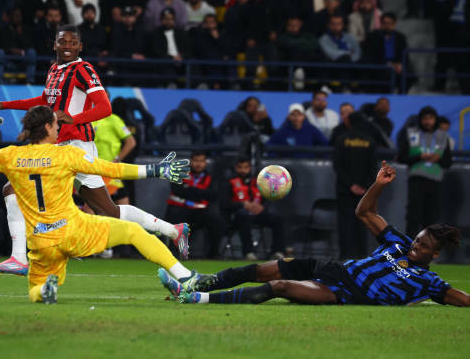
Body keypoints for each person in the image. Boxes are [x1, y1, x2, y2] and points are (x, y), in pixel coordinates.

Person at [0, 25, 190, 275]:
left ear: (80, 46)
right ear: (54, 44)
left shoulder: (83, 70)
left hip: (76, 145)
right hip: (59, 146)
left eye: (73, 43)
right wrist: (4, 105)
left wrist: (74, 118)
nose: (67, 46)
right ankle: (173, 230)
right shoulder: (54, 70)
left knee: (14, 188)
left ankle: (20, 258)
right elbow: (44, 101)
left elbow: (105, 107)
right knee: (108, 209)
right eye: (63, 42)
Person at [0, 102, 207, 304]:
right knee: (134, 232)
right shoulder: (66, 155)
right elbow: (111, 169)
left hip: (40, 240)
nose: (59, 128)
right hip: (73, 230)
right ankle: (185, 277)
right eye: (56, 124)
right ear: (47, 126)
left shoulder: (10, 155)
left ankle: (45, 290)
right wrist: (154, 170)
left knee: (34, 290)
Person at [160, 161, 470, 307]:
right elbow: (364, 213)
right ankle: (197, 282)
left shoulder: (429, 282)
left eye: (422, 246)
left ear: (435, 254)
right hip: (334, 269)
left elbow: (463, 299)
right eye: (417, 240)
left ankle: (197, 298)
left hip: (344, 294)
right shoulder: (399, 243)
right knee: (261, 269)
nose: (415, 246)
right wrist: (378, 185)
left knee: (279, 287)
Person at [398, 106, 452, 238]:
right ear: (420, 120)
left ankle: (428, 247)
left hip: (435, 181)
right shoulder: (411, 133)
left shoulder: (442, 136)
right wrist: (419, 157)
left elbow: (448, 162)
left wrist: (439, 159)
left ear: (435, 120)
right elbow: (401, 157)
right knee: (413, 216)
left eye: (431, 119)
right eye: (425, 119)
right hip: (416, 180)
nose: (428, 122)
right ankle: (410, 246)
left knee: (431, 218)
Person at [220, 156, 286, 261]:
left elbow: (266, 200)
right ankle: (248, 252)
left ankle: (277, 251)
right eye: (240, 167)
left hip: (256, 214)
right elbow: (224, 203)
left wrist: (262, 207)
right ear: (236, 168)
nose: (243, 170)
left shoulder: (258, 182)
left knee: (276, 218)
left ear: (250, 168)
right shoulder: (229, 182)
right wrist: (242, 204)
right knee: (242, 215)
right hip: (237, 215)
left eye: (246, 167)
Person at [165, 150, 226, 259]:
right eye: (196, 160)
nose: (198, 164)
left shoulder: (211, 177)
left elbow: (213, 195)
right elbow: (177, 190)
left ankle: (213, 253)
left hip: (201, 210)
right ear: (191, 161)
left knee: (217, 220)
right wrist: (201, 193)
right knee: (174, 215)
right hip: (182, 208)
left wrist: (189, 190)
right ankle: (173, 253)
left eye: (201, 161)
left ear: (205, 162)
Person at [332, 112, 377, 259]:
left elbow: (337, 165)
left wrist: (350, 185)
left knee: (345, 222)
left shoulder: (341, 139)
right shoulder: (370, 141)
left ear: (348, 123)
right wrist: (365, 186)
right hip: (365, 191)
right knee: (363, 221)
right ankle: (362, 256)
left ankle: (345, 255)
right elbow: (373, 167)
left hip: (344, 189)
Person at [364, 13, 408, 91]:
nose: (387, 26)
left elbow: (404, 56)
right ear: (381, 23)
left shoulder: (400, 38)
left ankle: (401, 94)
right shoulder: (373, 36)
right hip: (379, 66)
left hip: (396, 67)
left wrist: (400, 64)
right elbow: (370, 56)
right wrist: (388, 64)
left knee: (405, 73)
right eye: (385, 23)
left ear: (394, 24)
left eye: (390, 23)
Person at [0, 8, 36, 84]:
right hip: (7, 60)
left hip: (22, 60)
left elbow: (30, 46)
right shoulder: (1, 30)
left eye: (20, 16)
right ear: (10, 17)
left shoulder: (26, 30)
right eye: (16, 16)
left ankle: (30, 81)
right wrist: (10, 50)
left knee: (31, 52)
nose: (18, 18)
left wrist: (20, 35)